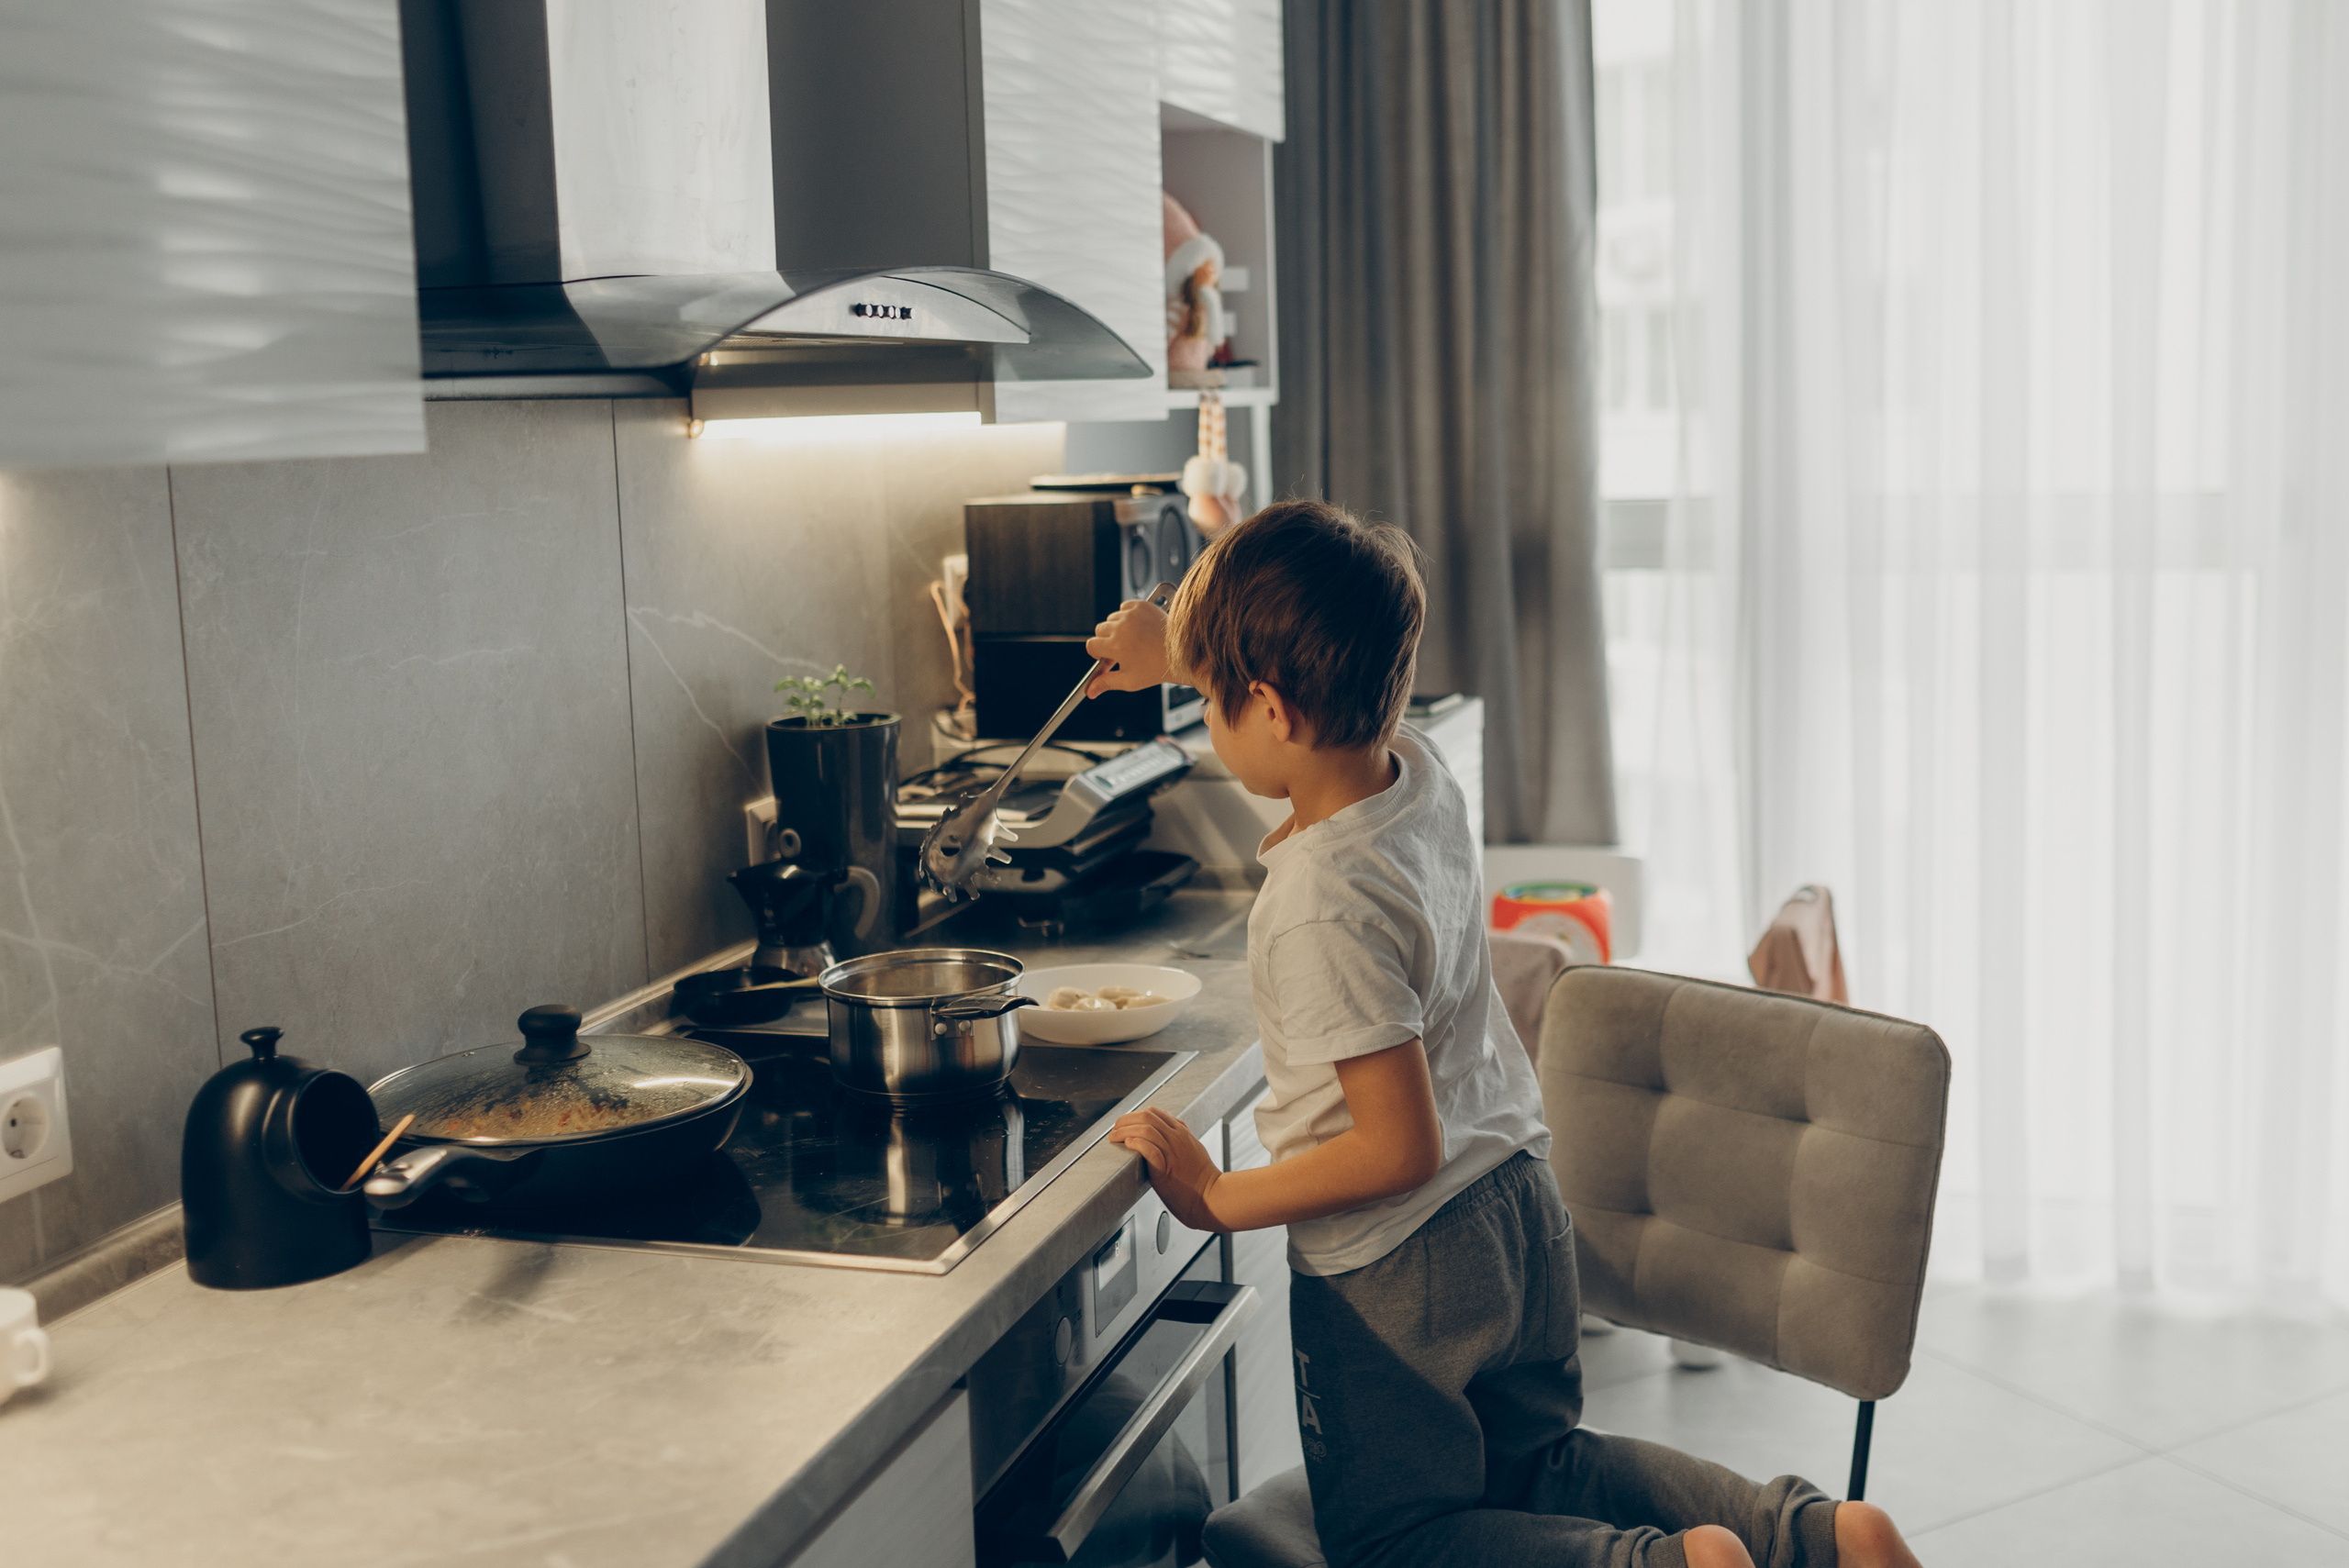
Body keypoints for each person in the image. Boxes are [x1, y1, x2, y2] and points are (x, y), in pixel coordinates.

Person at [1093, 501, 1923, 1568]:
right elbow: (1319, 675)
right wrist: (1185, 650)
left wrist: (1217, 1198)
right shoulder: (1416, 774)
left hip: (1399, 1265)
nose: (1203, 712)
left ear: (1269, 704)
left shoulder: (1316, 902)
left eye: (1211, 695)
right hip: (1519, 1212)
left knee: (1396, 1538)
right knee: (1542, 1464)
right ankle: (1811, 1535)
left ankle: (1662, 1563)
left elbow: (1396, 1147)